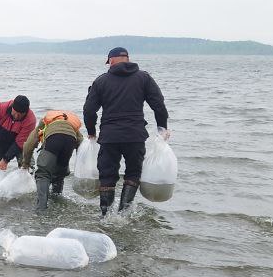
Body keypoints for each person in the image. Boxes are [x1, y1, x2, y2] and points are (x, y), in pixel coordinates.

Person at [83, 47, 170, 216]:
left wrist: (91, 132)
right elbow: (159, 105)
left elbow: (88, 110)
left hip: (109, 137)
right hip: (135, 136)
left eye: (108, 62)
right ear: (127, 59)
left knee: (107, 175)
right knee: (133, 173)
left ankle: (106, 216)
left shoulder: (101, 81)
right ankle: (124, 213)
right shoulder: (144, 78)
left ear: (112, 60)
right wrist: (162, 129)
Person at [19, 109, 83, 211]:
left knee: (43, 174)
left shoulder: (45, 121)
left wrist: (25, 164)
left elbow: (29, 144)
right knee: (59, 175)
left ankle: (41, 209)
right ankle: (57, 201)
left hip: (54, 139)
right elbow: (81, 143)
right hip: (70, 142)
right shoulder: (71, 124)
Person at [0, 95, 35, 171]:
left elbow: (20, 143)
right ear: (12, 108)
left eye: (20, 115)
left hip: (21, 146)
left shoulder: (30, 120)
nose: (16, 116)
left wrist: (5, 160)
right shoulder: (2, 108)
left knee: (27, 167)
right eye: (15, 113)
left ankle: (29, 176)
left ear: (25, 112)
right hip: (1, 140)